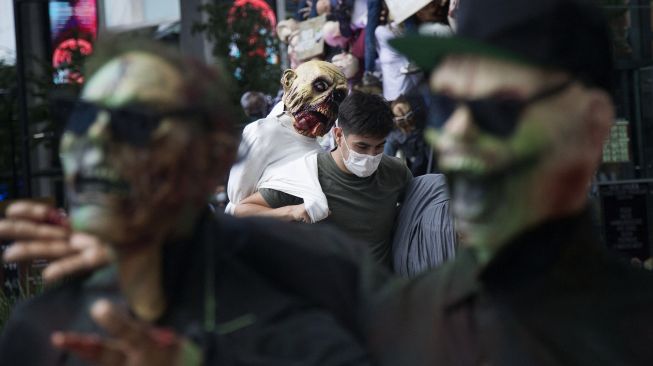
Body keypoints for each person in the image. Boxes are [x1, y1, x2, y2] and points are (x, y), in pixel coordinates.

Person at [0, 39, 372, 365]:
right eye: (81, 118)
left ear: (212, 159)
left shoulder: (292, 306)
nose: (94, 142)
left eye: (134, 122)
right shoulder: (41, 327)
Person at [365, 0, 653, 364]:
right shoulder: (401, 324)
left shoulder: (635, 332)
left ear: (590, 127)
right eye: (446, 103)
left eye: (498, 107)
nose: (456, 133)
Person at [234, 91, 412, 267]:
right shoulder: (306, 176)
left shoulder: (395, 171)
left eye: (379, 146)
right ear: (338, 135)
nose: (370, 155)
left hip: (382, 289)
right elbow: (241, 210)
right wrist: (291, 211)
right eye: (362, 146)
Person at [225, 60, 348, 215]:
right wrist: (288, 211)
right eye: (320, 86)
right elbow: (237, 203)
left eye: (338, 96)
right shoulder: (263, 132)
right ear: (290, 80)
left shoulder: (321, 148)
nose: (329, 99)